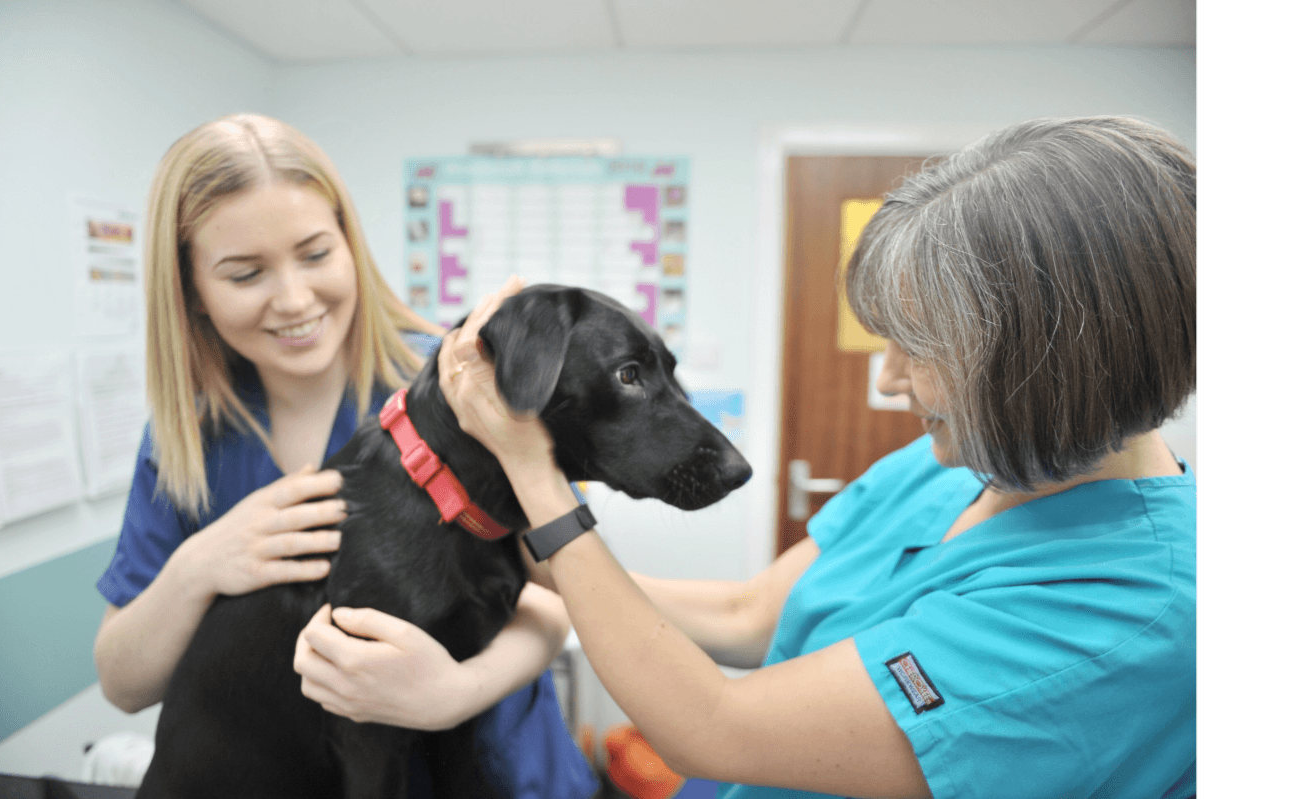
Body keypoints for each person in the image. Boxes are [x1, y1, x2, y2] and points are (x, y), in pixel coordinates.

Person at [408, 116, 1194, 798]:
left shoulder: (1134, 613)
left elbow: (714, 725)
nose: (887, 379)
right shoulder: (963, 459)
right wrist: (521, 546)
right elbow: (749, 614)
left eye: (919, 347)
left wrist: (537, 479)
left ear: (1052, 367)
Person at [92, 113, 598, 799]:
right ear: (193, 292)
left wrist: (456, 690)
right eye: (245, 274)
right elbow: (124, 683)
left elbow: (565, 596)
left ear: (349, 244)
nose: (295, 299)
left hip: (493, 770)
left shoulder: (460, 388)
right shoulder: (189, 437)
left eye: (315, 254)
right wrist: (199, 565)